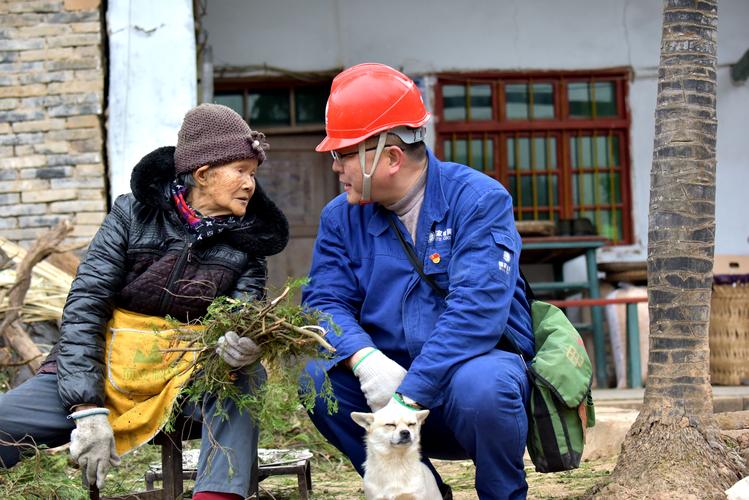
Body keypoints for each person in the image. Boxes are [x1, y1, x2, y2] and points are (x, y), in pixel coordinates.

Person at [0, 103, 289, 500]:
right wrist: (86, 407)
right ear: (203, 174)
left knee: (244, 377)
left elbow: (242, 313)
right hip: (103, 367)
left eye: (253, 174)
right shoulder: (131, 215)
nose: (250, 185)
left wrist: (242, 344)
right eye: (240, 171)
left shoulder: (249, 243)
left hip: (185, 378)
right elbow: (86, 306)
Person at [301, 63, 534, 500]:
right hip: (385, 390)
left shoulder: (478, 200)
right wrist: (365, 360)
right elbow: (323, 303)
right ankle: (419, 489)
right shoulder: (340, 217)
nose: (335, 167)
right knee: (318, 379)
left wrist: (409, 395)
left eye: (344, 153)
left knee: (486, 384)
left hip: (465, 386)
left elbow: (477, 314)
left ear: (390, 156)